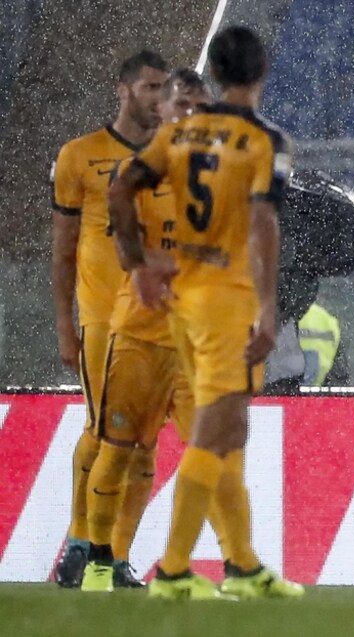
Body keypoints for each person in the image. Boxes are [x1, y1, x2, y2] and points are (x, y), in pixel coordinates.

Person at [108, 25, 303, 601]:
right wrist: (267, 308)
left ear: (214, 73)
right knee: (217, 432)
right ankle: (172, 570)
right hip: (228, 306)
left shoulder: (181, 132)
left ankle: (242, 565)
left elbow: (121, 189)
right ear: (262, 70)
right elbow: (263, 224)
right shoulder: (265, 140)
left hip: (183, 304)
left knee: (229, 432)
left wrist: (138, 263)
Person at [79, 69, 251, 593]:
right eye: (183, 106)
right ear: (164, 111)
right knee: (119, 448)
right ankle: (101, 564)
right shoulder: (135, 176)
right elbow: (125, 245)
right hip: (139, 334)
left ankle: (230, 569)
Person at [50, 49, 169, 588]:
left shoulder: (175, 159)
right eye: (149, 87)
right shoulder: (79, 156)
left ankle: (116, 557)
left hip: (156, 322)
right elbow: (63, 249)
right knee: (104, 432)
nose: (158, 98)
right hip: (102, 317)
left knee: (145, 443)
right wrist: (65, 325)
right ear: (123, 90)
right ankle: (80, 545)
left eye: (163, 88)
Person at [299, 303, 350, 386]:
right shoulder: (328, 320)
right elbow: (340, 372)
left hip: (287, 388)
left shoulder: (286, 317)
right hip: (323, 387)